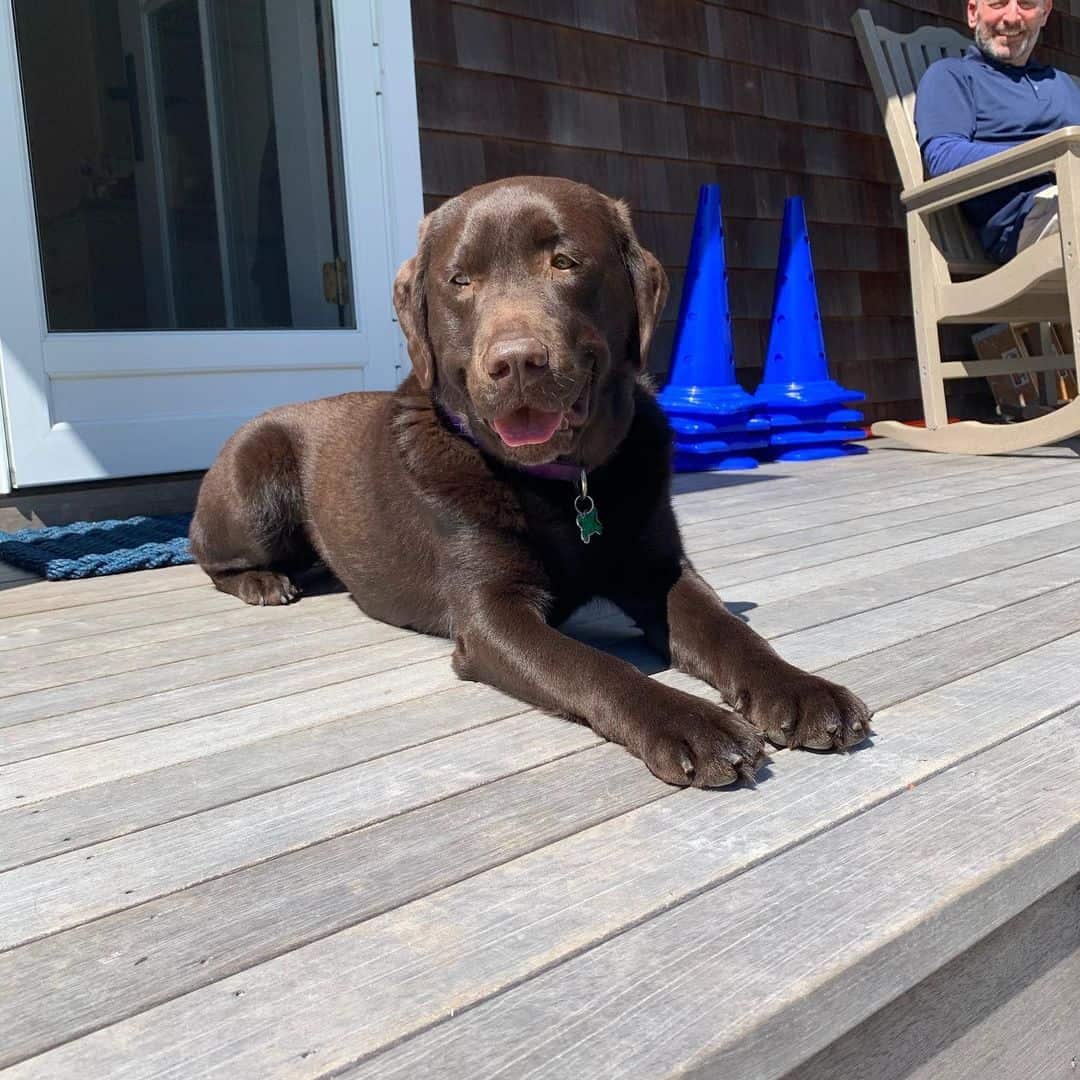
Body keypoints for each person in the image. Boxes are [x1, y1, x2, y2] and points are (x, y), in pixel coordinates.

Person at [915, 0, 1080, 262]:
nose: (1012, 17)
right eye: (998, 3)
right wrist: (1049, 157)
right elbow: (943, 155)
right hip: (1028, 220)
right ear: (973, 13)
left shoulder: (1061, 83)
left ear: (1045, 12)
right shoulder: (953, 76)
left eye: (1026, 4)